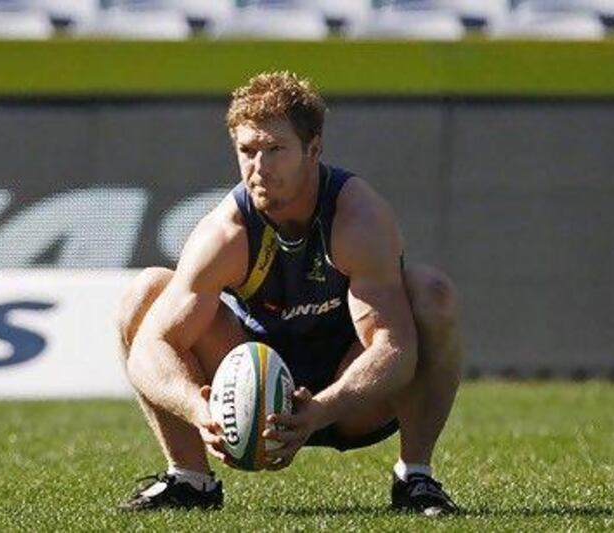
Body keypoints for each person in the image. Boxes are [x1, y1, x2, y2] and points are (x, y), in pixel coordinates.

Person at [116, 71, 463, 515]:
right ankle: (190, 479)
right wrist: (197, 408)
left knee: (431, 291)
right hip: (251, 391)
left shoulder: (357, 217)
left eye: (275, 149)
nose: (258, 168)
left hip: (353, 393)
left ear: (313, 149)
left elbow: (394, 347)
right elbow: (151, 347)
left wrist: (320, 408)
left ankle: (416, 478)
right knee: (144, 295)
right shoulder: (226, 232)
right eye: (247, 151)